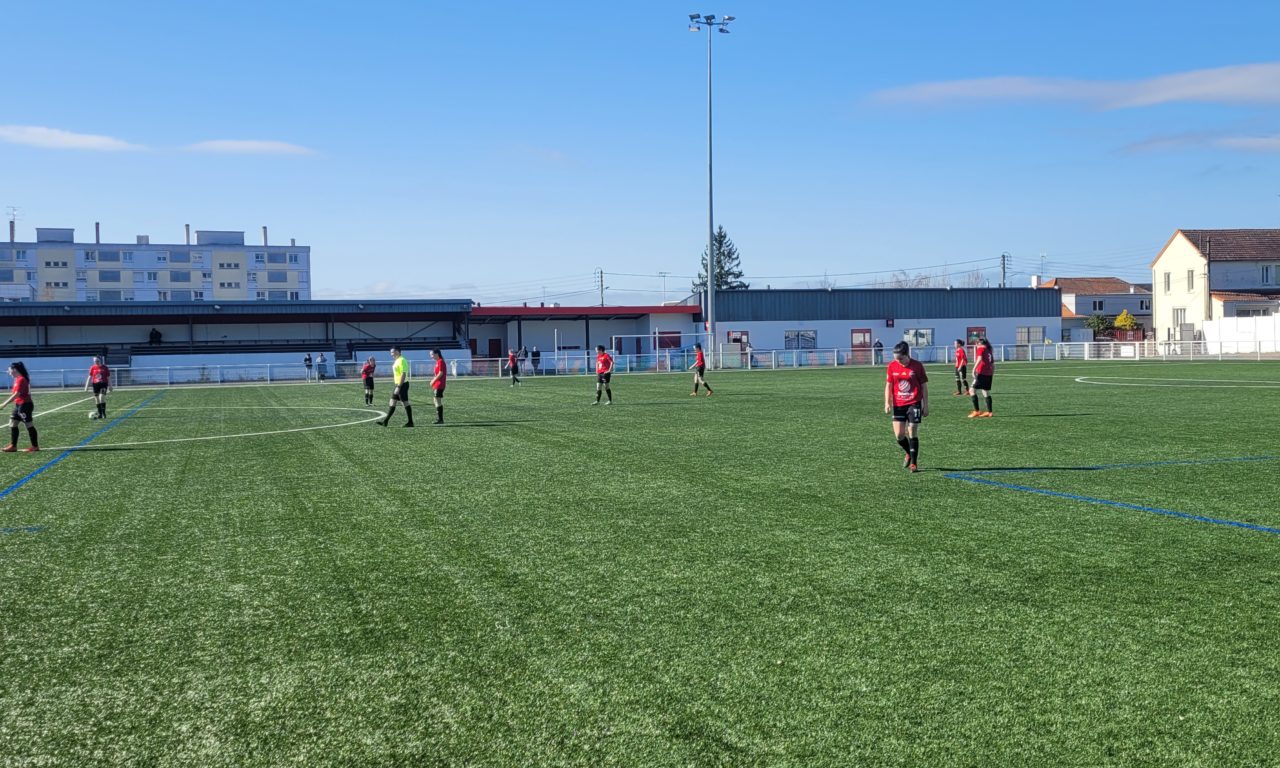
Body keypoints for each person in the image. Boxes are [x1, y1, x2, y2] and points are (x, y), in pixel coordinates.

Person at [884, 341, 928, 472]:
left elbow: (924, 386)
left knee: (913, 429)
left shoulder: (917, 366)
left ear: (907, 354)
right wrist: (887, 402)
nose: (898, 361)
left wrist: (926, 405)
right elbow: (888, 385)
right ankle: (909, 452)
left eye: (900, 359)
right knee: (899, 435)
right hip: (898, 404)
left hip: (914, 402)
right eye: (896, 359)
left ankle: (914, 463)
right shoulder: (892, 366)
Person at [2, 361, 39, 453]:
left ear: (14, 370)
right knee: (12, 423)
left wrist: (4, 404)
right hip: (19, 405)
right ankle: (13, 446)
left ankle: (35, 446)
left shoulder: (21, 379)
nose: (8, 372)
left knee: (29, 425)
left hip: (24, 405)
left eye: (9, 370)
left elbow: (16, 394)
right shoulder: (18, 379)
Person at [377, 347, 414, 427]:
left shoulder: (402, 360)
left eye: (392, 352)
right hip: (398, 384)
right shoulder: (397, 360)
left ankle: (410, 422)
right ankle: (385, 421)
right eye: (391, 352)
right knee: (392, 402)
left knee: (405, 403)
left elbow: (403, 374)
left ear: (397, 351)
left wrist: (399, 387)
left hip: (402, 384)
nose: (391, 354)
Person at [968, 337, 995, 418]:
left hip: (982, 373)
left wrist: (973, 369)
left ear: (979, 343)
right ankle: (989, 412)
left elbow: (979, 359)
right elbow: (993, 364)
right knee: (985, 392)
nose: (976, 345)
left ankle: (977, 411)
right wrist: (991, 373)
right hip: (989, 374)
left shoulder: (981, 349)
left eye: (976, 343)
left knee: (971, 390)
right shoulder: (989, 350)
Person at [84, 355, 112, 420]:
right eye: (95, 361)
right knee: (97, 399)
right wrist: (86, 386)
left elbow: (108, 377)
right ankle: (100, 414)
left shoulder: (105, 367)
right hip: (95, 385)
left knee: (101, 397)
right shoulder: (92, 368)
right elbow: (89, 377)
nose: (96, 362)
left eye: (97, 361)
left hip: (103, 384)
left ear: (100, 360)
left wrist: (110, 386)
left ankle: (104, 413)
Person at [430, 349, 446, 425]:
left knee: (437, 400)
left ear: (437, 354)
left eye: (432, 354)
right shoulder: (438, 362)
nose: (431, 356)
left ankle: (440, 419)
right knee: (435, 399)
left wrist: (433, 381)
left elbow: (441, 373)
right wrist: (433, 380)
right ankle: (439, 418)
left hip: (440, 384)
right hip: (437, 383)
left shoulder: (440, 361)